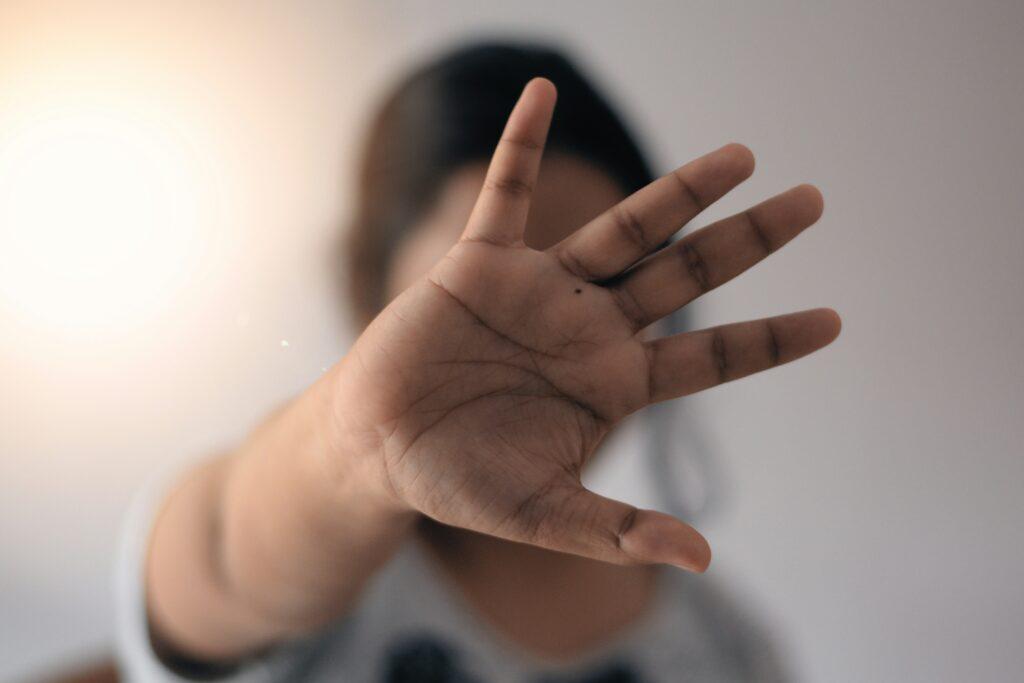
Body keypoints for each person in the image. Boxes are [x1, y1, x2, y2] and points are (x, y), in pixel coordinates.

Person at [116, 42, 840, 682]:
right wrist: (351, 447)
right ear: (370, 296)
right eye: (475, 301)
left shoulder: (724, 645)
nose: (539, 344)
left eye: (606, 287)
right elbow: (214, 561)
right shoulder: (315, 571)